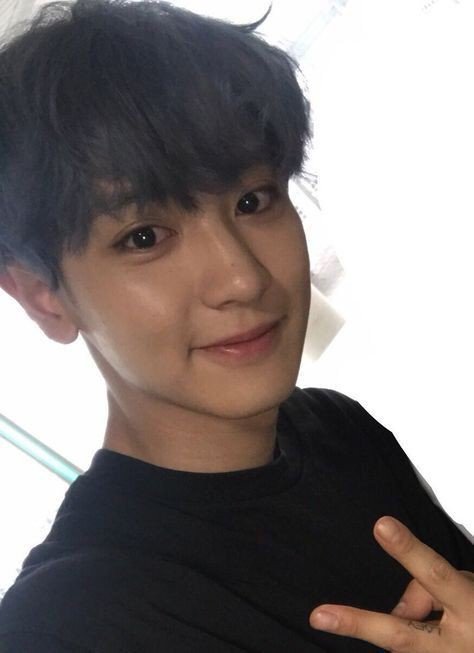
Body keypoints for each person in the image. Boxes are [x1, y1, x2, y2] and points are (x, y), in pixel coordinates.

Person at [0, 1, 472, 651]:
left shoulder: (340, 430)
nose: (242, 277)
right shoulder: (63, 629)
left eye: (253, 200)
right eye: (145, 236)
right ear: (43, 297)